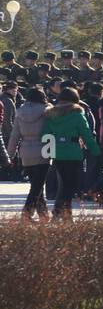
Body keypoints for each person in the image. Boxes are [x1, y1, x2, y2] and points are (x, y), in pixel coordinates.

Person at [45, 88, 101, 219]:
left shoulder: (50, 115)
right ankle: (64, 212)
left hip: (57, 152)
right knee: (71, 184)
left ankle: (60, 211)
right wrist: (96, 152)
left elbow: (45, 134)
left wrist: (48, 152)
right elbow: (87, 135)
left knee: (63, 182)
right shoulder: (77, 114)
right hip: (74, 152)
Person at [7, 87, 52, 220]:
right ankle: (26, 214)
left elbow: (15, 135)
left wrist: (10, 154)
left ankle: (43, 214)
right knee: (37, 186)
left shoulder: (20, 112)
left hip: (25, 151)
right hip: (44, 149)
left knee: (35, 184)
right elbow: (51, 132)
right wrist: (53, 153)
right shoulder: (48, 111)